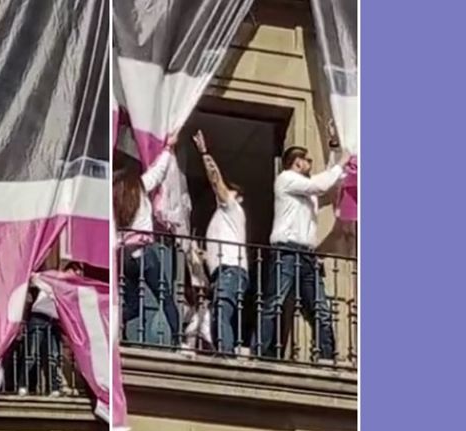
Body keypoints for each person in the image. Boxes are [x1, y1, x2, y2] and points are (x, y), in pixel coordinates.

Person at [254, 145, 350, 359]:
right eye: (308, 160)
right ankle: (261, 351)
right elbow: (320, 184)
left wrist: (335, 149)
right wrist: (342, 162)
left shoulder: (306, 189)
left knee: (320, 309)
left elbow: (327, 186)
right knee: (274, 302)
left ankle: (326, 355)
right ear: (297, 162)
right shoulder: (286, 179)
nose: (310, 164)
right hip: (287, 250)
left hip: (306, 254)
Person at [113, 136, 180, 346]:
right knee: (165, 296)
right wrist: (168, 148)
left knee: (131, 305)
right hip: (144, 250)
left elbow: (111, 234)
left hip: (124, 254)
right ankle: (178, 341)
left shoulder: (113, 199)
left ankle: (115, 330)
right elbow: (159, 171)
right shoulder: (140, 185)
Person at [191, 130, 249, 354]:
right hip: (223, 271)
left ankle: (225, 353)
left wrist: (204, 153)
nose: (225, 193)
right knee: (219, 311)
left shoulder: (233, 207)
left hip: (231, 270)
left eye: (230, 191)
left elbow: (216, 182)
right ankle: (224, 349)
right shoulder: (222, 217)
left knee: (222, 309)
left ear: (239, 197)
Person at [18, 262, 82, 396]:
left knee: (53, 355)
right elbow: (33, 278)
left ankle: (54, 387)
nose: (73, 278)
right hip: (38, 318)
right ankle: (23, 384)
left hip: (53, 323)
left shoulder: (71, 292)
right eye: (72, 273)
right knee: (31, 353)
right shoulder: (51, 280)